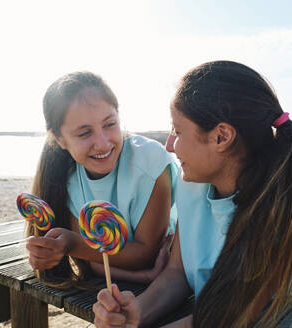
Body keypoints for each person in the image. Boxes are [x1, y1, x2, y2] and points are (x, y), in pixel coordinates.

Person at [92, 61, 292, 327]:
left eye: (177, 131)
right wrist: (137, 314)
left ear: (221, 136)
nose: (169, 145)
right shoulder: (190, 181)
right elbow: (177, 272)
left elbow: (234, 313)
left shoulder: (283, 216)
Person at [25, 71, 178, 286]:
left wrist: (72, 244)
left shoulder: (151, 162)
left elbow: (147, 252)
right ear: (59, 139)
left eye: (109, 124)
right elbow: (95, 260)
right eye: (84, 133)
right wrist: (49, 251)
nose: (103, 143)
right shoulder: (66, 178)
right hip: (124, 278)